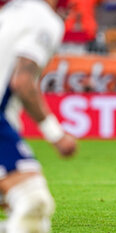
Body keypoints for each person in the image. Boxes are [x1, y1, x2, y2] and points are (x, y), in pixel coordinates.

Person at [0, 0, 77, 232]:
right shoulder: (44, 19)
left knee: (20, 210)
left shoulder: (10, 11)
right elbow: (23, 82)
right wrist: (56, 135)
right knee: (33, 201)